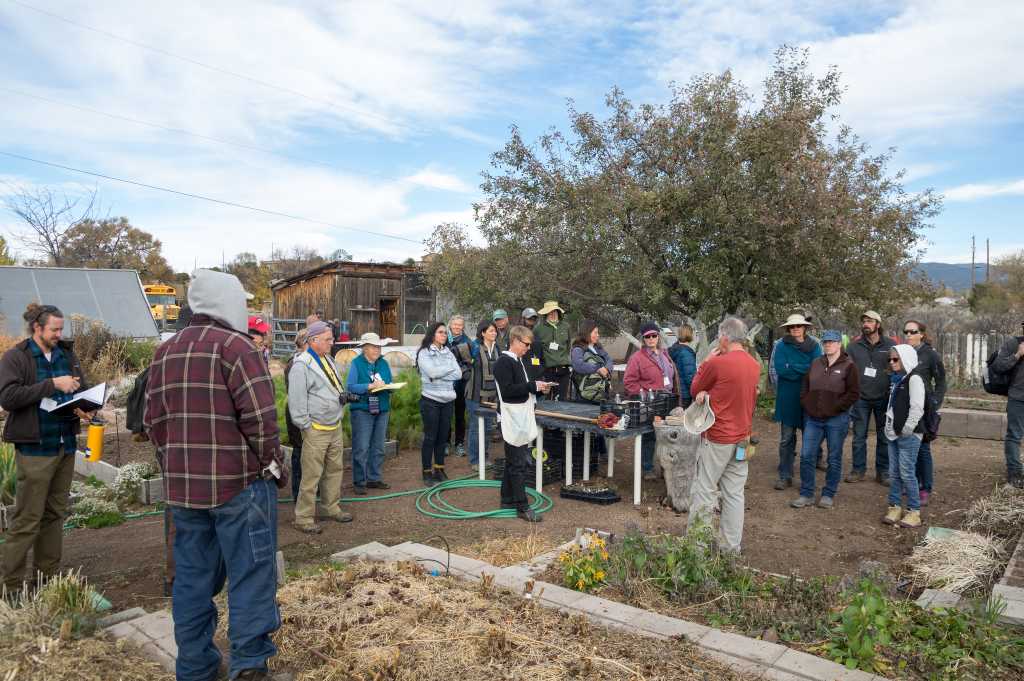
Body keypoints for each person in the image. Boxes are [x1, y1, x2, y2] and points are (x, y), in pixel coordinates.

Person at [144, 270, 287, 681]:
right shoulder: (237, 348)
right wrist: (273, 467)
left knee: (192, 579)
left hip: (185, 492)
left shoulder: (164, 353)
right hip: (238, 487)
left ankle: (195, 667)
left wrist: (173, 468)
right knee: (250, 575)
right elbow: (261, 422)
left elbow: (153, 423)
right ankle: (248, 667)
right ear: (226, 301)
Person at [0, 303, 91, 596]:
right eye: (54, 329)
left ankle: (46, 581)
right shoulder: (17, 357)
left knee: (54, 515)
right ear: (37, 327)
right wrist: (51, 384)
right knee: (27, 519)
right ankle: (10, 588)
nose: (58, 334)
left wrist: (83, 406)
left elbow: (78, 388)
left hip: (64, 445)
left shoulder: (67, 354)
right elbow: (9, 397)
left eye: (61, 329)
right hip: (36, 449)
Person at [687, 317, 761, 554]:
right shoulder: (753, 364)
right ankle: (730, 549)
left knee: (705, 490)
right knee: (735, 494)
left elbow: (695, 388)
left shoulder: (717, 363)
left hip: (717, 437)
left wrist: (706, 362)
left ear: (724, 337)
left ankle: (696, 549)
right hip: (743, 437)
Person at [288, 320, 353, 534]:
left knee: (335, 470)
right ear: (313, 340)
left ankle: (329, 507)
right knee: (311, 474)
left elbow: (334, 385)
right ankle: (304, 517)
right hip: (316, 428)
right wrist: (306, 426)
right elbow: (296, 401)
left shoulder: (328, 359)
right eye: (328, 339)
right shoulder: (302, 365)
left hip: (333, 425)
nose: (332, 342)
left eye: (331, 339)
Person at [791, 330, 860, 509]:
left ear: (839, 344)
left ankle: (828, 493)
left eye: (832, 341)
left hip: (837, 420)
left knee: (834, 457)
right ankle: (807, 493)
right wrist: (806, 403)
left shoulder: (849, 365)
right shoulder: (815, 363)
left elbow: (853, 393)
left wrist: (836, 408)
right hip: (813, 418)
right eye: (825, 342)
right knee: (807, 455)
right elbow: (805, 386)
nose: (828, 344)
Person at [493, 325, 552, 521]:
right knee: (518, 463)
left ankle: (507, 498)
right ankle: (522, 506)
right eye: (526, 344)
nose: (528, 348)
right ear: (515, 341)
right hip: (511, 417)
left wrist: (538, 388)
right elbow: (508, 390)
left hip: (521, 416)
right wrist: (531, 385)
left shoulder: (519, 361)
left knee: (513, 460)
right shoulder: (503, 362)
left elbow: (523, 389)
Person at [772, 313, 822, 490]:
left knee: (810, 439)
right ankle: (785, 475)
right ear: (788, 328)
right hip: (787, 399)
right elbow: (780, 369)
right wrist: (803, 369)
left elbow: (816, 369)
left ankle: (807, 479)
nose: (795, 329)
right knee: (786, 439)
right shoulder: (781, 346)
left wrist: (791, 365)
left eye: (798, 326)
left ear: (805, 328)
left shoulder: (815, 346)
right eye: (792, 327)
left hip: (808, 397)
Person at [846, 310, 897, 485]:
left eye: (870, 321)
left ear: (878, 324)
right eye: (864, 321)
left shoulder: (890, 345)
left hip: (884, 397)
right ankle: (858, 470)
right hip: (861, 399)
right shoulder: (854, 346)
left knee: (884, 437)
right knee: (859, 437)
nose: (865, 324)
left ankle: (883, 472)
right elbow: (847, 371)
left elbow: (896, 368)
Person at [624, 322, 679, 479]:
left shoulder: (665, 354)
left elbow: (672, 376)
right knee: (649, 436)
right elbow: (629, 382)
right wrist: (645, 395)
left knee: (668, 436)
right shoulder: (637, 358)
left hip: (668, 401)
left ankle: (665, 468)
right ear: (643, 339)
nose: (651, 339)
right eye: (647, 336)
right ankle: (647, 468)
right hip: (651, 403)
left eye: (654, 335)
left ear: (658, 336)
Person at [902, 320, 947, 505]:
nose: (909, 335)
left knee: (923, 448)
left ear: (922, 334)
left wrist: (934, 402)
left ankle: (925, 488)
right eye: (906, 332)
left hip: (924, 408)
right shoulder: (903, 353)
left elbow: (941, 382)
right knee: (908, 446)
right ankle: (912, 482)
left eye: (913, 332)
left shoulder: (931, 355)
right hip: (906, 406)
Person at [882, 345, 927, 528]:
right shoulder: (898, 379)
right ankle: (894, 506)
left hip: (908, 434)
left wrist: (908, 428)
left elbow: (917, 407)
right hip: (893, 433)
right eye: (890, 359)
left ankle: (914, 511)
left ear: (906, 358)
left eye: (896, 359)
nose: (892, 363)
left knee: (907, 473)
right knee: (894, 472)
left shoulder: (914, 379)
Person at [346, 333, 394, 495]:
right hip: (362, 409)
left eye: (379, 346)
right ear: (365, 348)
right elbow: (351, 386)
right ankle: (359, 481)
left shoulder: (383, 363)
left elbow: (389, 381)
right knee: (362, 447)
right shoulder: (356, 363)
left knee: (379, 446)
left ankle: (374, 478)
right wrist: (368, 386)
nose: (377, 349)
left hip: (382, 408)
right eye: (374, 347)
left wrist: (389, 386)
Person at [416, 322, 462, 486]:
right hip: (431, 400)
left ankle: (439, 469)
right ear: (432, 334)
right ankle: (427, 472)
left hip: (448, 400)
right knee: (430, 437)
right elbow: (431, 372)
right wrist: (444, 370)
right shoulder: (424, 352)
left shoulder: (448, 351)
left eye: (445, 333)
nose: (444, 335)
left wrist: (439, 373)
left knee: (442, 437)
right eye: (441, 332)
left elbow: (458, 374)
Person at [462, 320, 500, 468]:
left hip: (491, 395)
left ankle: (484, 457)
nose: (494, 333)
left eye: (495, 331)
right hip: (474, 395)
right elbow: (456, 357)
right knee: (476, 427)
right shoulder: (473, 346)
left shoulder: (497, 348)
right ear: (483, 332)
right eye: (491, 331)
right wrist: (466, 374)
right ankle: (475, 460)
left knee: (488, 428)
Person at [992, 320, 1024, 488]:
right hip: (1018, 398)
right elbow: (998, 366)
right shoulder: (1014, 343)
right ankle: (1015, 475)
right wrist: (1017, 355)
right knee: (1014, 436)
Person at [284, 329, 309, 501]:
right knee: (299, 453)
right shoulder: (295, 363)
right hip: (297, 412)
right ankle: (297, 493)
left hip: (303, 411)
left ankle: (307, 491)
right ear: (306, 343)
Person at [532, 300, 573, 401]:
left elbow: (568, 347)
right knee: (545, 399)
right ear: (545, 314)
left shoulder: (566, 326)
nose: (552, 314)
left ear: (558, 312)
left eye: (555, 311)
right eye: (549, 312)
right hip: (546, 371)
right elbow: (535, 351)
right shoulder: (538, 329)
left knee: (561, 400)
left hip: (563, 370)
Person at [570, 320, 613, 404]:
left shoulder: (598, 348)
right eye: (595, 333)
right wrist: (598, 369)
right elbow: (579, 366)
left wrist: (607, 369)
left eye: (598, 333)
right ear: (587, 333)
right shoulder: (578, 349)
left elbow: (609, 360)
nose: (598, 335)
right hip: (585, 397)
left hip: (601, 394)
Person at [447, 316, 471, 457]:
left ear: (463, 326)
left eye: (460, 325)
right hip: (444, 383)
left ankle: (459, 443)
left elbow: (469, 363)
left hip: (460, 383)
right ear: (450, 325)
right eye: (455, 324)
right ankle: (445, 442)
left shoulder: (467, 341)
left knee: (460, 414)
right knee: (446, 414)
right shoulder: (443, 338)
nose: (457, 327)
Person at [668, 324, 698, 408]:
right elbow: (690, 377)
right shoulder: (686, 353)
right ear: (690, 334)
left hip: (675, 392)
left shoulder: (674, 349)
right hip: (684, 394)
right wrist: (696, 393)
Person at [520, 307, 545, 380]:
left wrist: (540, 369)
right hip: (522, 375)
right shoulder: (517, 333)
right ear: (523, 319)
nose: (532, 320)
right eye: (529, 318)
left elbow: (541, 356)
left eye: (534, 318)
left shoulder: (537, 334)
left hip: (536, 375)